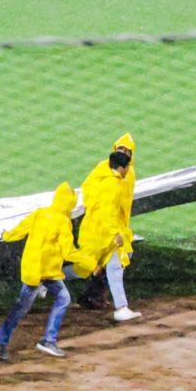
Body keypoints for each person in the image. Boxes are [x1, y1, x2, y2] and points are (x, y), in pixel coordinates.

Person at [0, 182, 87, 360]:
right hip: (44, 272)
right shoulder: (63, 222)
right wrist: (89, 259)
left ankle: (10, 340)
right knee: (26, 306)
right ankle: (39, 341)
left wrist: (7, 235)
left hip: (35, 270)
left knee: (56, 300)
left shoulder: (40, 213)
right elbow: (68, 252)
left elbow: (21, 229)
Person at [77, 136, 140, 322]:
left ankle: (99, 298)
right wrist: (117, 233)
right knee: (108, 263)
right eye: (121, 149)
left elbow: (123, 206)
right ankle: (120, 307)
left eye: (127, 151)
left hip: (105, 227)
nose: (124, 153)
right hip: (102, 230)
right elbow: (107, 210)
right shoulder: (112, 183)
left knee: (96, 265)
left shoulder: (121, 176)